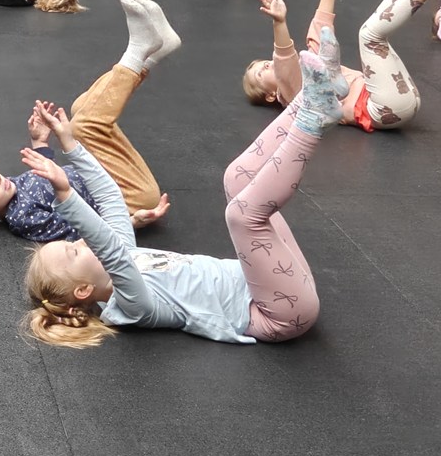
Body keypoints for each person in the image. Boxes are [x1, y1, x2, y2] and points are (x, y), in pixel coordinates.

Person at [20, 27, 350, 348]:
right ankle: (312, 119)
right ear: (83, 291)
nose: (80, 241)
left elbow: (110, 198)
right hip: (279, 313)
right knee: (241, 215)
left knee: (236, 177)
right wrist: (65, 195)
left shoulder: (129, 254)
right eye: (74, 251)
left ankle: (316, 94)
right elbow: (111, 253)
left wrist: (71, 146)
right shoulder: (131, 306)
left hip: (273, 280)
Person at [0, 0, 180, 239]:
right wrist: (131, 222)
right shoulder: (23, 218)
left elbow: (48, 178)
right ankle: (137, 51)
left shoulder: (14, 187)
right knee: (83, 126)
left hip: (103, 176)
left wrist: (39, 142)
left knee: (80, 107)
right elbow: (80, 231)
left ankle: (152, 54)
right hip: (128, 199)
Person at [243, 0, 441, 132]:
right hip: (381, 108)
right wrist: (279, 23)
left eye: (265, 62)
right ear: (271, 95)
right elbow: (284, 61)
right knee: (369, 36)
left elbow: (321, 30)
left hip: (394, 95)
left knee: (371, 37)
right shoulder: (294, 95)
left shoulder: (312, 70)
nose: (267, 65)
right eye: (260, 73)